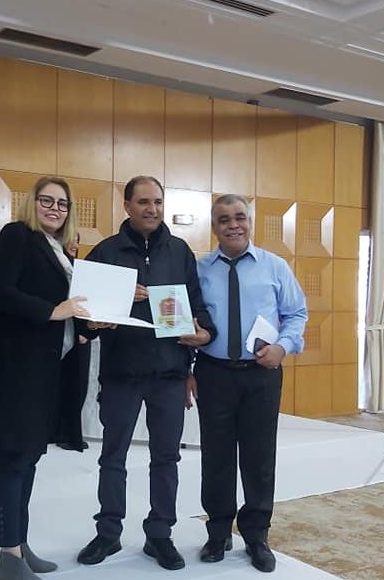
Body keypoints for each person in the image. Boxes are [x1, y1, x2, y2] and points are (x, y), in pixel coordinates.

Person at [76, 175, 215, 571]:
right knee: (113, 456)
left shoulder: (180, 251)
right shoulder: (105, 252)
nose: (152, 209)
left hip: (169, 374)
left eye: (157, 202)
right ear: (127, 206)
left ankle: (160, 534)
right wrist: (93, 323)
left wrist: (203, 334)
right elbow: (83, 317)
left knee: (166, 458)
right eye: (143, 202)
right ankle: (108, 533)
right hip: (121, 373)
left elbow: (197, 307)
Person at [0, 177, 89, 580]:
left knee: (29, 458)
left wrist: (91, 324)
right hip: (16, 371)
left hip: (47, 371)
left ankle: (18, 544)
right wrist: (52, 311)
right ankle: (8, 554)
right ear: (31, 203)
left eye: (62, 204)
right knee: (12, 459)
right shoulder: (17, 234)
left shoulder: (61, 249)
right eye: (47, 200)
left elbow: (70, 311)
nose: (55, 209)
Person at [186, 194, 307, 573]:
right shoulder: (199, 270)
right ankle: (218, 531)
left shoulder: (274, 266)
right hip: (213, 373)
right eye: (224, 219)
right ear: (214, 227)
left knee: (259, 458)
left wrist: (283, 347)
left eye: (239, 217)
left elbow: (296, 313)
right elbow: (188, 322)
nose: (233, 225)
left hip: (261, 374)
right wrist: (188, 369)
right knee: (216, 457)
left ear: (250, 222)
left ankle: (256, 535)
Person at [54, 232, 91, 452]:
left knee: (78, 386)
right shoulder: (54, 268)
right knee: (62, 384)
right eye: (70, 239)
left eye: (77, 240)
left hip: (81, 334)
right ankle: (60, 432)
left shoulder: (80, 268)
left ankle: (71, 432)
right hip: (60, 332)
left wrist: (86, 330)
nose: (75, 244)